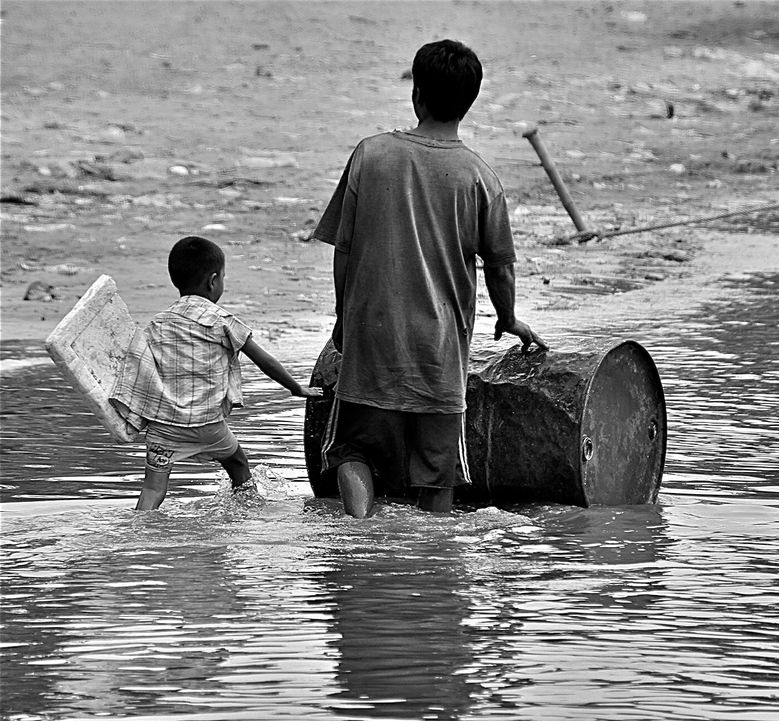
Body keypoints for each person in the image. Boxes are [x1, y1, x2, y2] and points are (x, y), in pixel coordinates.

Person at [312, 39, 547, 518]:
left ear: (415, 93)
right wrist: (510, 319)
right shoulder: (481, 178)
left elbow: (345, 249)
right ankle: (430, 567)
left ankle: (359, 537)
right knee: (437, 475)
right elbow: (500, 266)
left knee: (353, 452)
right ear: (470, 102)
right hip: (439, 355)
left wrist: (343, 317)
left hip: (372, 341)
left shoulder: (370, 155)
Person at [110, 235, 322, 510]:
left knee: (152, 489)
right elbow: (264, 361)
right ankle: (249, 516)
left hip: (164, 429)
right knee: (237, 464)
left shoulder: (156, 324)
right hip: (208, 424)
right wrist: (296, 388)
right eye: (223, 277)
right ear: (213, 281)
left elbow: (137, 367)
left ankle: (135, 537)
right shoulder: (222, 321)